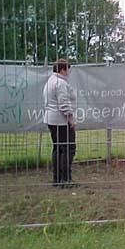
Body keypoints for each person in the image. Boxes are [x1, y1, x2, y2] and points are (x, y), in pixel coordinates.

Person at [43, 59, 78, 187]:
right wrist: (70, 119)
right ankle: (65, 179)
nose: (68, 72)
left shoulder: (49, 82)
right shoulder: (60, 83)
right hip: (61, 121)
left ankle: (57, 179)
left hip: (51, 120)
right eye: (67, 69)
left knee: (58, 148)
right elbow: (63, 103)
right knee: (68, 148)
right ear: (63, 69)